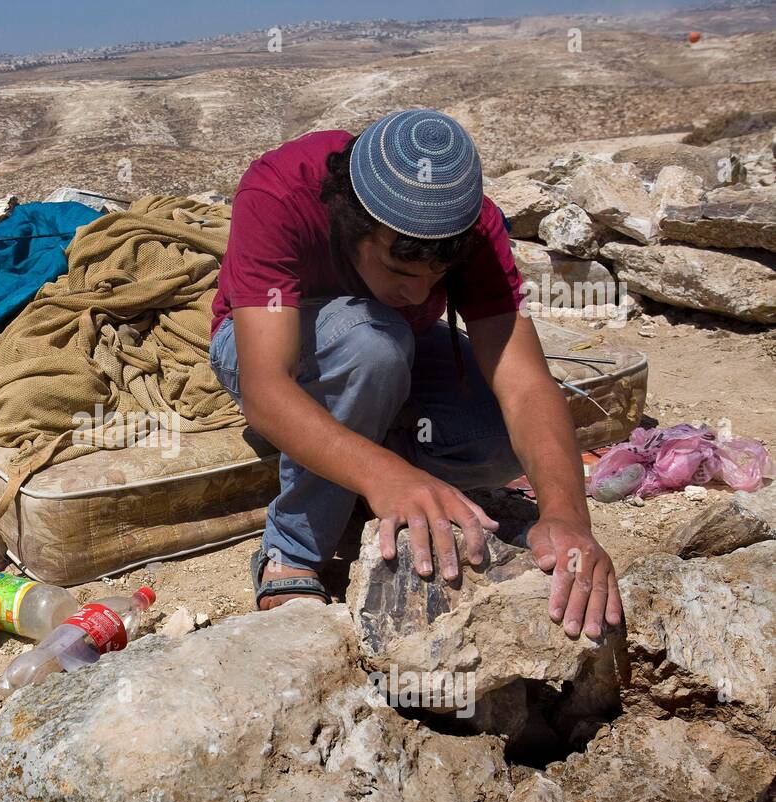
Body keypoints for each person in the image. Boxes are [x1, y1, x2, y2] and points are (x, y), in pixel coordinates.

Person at [210, 109, 621, 640]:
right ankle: (292, 550)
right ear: (353, 225)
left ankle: (356, 461)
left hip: (392, 346)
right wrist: (386, 475)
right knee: (372, 344)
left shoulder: (473, 227)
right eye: (401, 272)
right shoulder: (282, 191)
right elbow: (267, 388)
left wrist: (566, 515)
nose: (420, 294)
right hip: (274, 342)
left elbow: (524, 386)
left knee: (497, 434)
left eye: (438, 278)